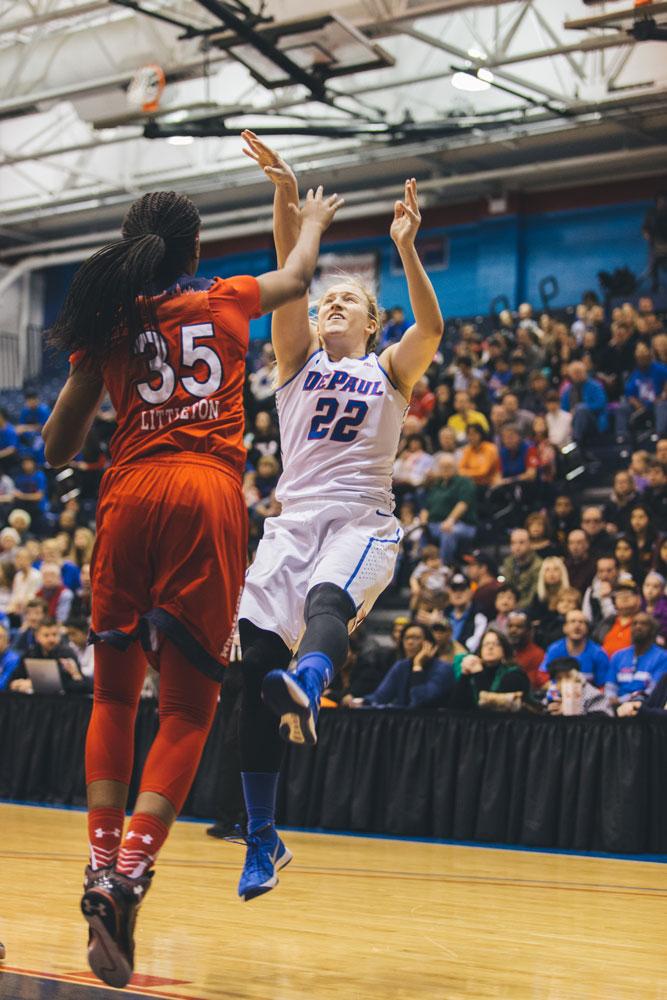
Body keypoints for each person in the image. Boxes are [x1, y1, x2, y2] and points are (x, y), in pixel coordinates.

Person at [43, 178, 341, 985]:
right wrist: (308, 221)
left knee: (111, 699)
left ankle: (100, 863)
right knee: (186, 710)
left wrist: (89, 367)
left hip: (129, 498)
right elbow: (298, 277)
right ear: (195, 251)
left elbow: (56, 450)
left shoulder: (108, 324)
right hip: (206, 499)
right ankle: (131, 870)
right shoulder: (228, 298)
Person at [234, 134, 444, 903]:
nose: (330, 304)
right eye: (327, 299)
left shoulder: (386, 370)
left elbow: (431, 329)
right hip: (291, 524)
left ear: (369, 320)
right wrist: (284, 196)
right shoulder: (297, 364)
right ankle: (262, 838)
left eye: (346, 301)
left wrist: (406, 246)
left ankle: (314, 681)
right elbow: (289, 280)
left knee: (328, 602)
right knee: (251, 667)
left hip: (360, 520)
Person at [349, 623, 454, 709]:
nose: (410, 642)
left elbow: (420, 702)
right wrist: (360, 701)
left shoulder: (444, 669)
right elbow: (380, 696)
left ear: (429, 644)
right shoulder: (401, 666)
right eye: (406, 638)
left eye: (416, 638)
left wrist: (417, 667)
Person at [449, 627, 530, 711]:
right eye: (486, 644)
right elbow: (455, 707)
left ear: (504, 651)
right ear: (480, 650)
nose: (490, 647)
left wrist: (478, 674)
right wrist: (464, 675)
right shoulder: (473, 671)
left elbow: (490, 707)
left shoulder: (514, 675)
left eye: (496, 644)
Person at [420, 454, 478, 563]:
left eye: (448, 466)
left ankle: (444, 567)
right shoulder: (437, 485)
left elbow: (463, 504)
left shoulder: (464, 482)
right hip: (435, 524)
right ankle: (423, 566)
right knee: (421, 533)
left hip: (463, 524)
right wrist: (423, 523)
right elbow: (426, 507)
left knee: (448, 532)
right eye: (442, 467)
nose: (445, 469)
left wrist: (450, 520)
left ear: (455, 467)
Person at [9, 617, 88, 695]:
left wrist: (34, 684)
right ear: (37, 637)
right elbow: (14, 678)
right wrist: (16, 683)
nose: (51, 639)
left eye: (54, 635)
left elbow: (79, 685)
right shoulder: (30, 654)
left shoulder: (67, 654)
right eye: (46, 635)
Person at [605, 613, 667, 704]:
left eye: (643, 624)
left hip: (645, 708)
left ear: (652, 630)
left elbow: (653, 691)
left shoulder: (662, 657)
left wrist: (621, 701)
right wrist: (610, 699)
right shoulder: (618, 656)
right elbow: (610, 686)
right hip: (615, 707)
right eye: (634, 624)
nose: (638, 627)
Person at [541, 608, 610, 687]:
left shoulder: (598, 653)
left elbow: (602, 685)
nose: (577, 625)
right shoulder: (554, 649)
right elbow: (543, 675)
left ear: (587, 629)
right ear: (565, 628)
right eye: (572, 621)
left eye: (581, 622)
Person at [543, 656, 613, 717]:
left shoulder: (594, 696)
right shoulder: (552, 695)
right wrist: (548, 713)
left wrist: (571, 710)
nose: (563, 682)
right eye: (558, 678)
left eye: (568, 677)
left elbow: (604, 722)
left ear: (578, 677)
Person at [560, 361, 608, 447]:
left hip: (594, 419)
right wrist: (571, 413)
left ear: (585, 372)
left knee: (581, 409)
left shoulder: (595, 386)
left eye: (579, 372)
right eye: (575, 373)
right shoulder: (568, 391)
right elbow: (563, 409)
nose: (577, 375)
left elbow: (601, 403)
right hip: (573, 420)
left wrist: (583, 408)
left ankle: (576, 441)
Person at [596, 577, 642, 658]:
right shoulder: (606, 623)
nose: (624, 597)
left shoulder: (644, 624)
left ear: (638, 599)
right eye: (620, 594)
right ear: (614, 601)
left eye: (629, 593)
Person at [445, 572, 487, 652]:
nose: (458, 593)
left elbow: (472, 647)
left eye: (462, 589)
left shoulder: (479, 617)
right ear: (449, 592)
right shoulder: (443, 614)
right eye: (454, 589)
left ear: (470, 591)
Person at [506, 610, 548, 691]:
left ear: (529, 630)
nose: (513, 630)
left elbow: (534, 684)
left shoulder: (538, 654)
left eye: (519, 627)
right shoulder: (502, 651)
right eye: (510, 626)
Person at [500, 529, 542, 608]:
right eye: (513, 543)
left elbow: (533, 597)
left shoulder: (538, 565)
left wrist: (515, 608)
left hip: (529, 609)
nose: (517, 547)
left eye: (521, 542)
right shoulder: (508, 562)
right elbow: (505, 588)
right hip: (509, 606)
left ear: (530, 544)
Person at [582, 556, 618, 631]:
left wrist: (605, 598)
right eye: (601, 571)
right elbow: (587, 617)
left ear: (616, 571)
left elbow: (612, 619)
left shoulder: (623, 591)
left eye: (609, 570)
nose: (605, 575)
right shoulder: (590, 591)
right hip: (595, 632)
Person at [564, 529, 597, 595]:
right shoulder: (564, 565)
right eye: (571, 543)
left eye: (579, 542)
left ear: (587, 544)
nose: (575, 547)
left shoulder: (595, 566)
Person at [642, 571, 667, 643]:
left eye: (655, 587)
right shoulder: (638, 605)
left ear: (662, 591)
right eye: (647, 585)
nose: (650, 590)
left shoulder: (665, 609)